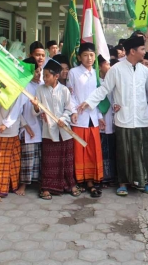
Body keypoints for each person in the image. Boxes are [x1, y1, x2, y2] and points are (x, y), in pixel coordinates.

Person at [81, 36, 148, 196]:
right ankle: (122, 183)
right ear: (133, 51)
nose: (145, 51)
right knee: (124, 152)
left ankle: (142, 182)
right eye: (143, 49)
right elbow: (104, 90)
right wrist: (88, 102)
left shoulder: (145, 71)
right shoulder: (116, 70)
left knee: (142, 151)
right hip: (124, 119)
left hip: (141, 119)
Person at [31, 59, 80, 200]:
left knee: (66, 160)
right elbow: (37, 110)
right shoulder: (40, 90)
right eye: (43, 75)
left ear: (56, 76)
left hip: (64, 130)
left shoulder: (64, 90)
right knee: (49, 161)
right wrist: (35, 107)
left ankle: (70, 185)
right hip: (48, 131)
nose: (44, 78)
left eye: (47, 75)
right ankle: (47, 188)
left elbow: (69, 108)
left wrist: (63, 119)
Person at [68, 43, 105, 198]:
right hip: (79, 116)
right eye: (85, 55)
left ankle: (90, 180)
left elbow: (99, 96)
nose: (89, 58)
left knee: (92, 149)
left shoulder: (96, 74)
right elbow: (70, 93)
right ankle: (79, 179)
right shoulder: (74, 72)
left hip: (93, 117)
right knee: (78, 149)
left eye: (91, 55)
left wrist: (100, 116)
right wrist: (73, 111)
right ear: (79, 57)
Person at [0, 91, 25, 203]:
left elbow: (18, 111)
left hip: (14, 132)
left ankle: (10, 186)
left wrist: (25, 126)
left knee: (14, 162)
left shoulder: (18, 91)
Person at [16, 58, 42, 196]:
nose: (38, 74)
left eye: (39, 71)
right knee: (27, 159)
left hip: (41, 127)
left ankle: (37, 183)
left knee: (39, 158)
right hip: (27, 127)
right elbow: (17, 110)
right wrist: (25, 125)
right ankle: (23, 185)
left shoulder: (43, 85)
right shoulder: (23, 87)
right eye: (35, 71)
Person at [98, 55, 117, 185]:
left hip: (113, 119)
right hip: (101, 119)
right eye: (107, 64)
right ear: (99, 66)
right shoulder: (96, 81)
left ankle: (112, 176)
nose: (109, 67)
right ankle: (103, 176)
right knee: (102, 149)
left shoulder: (114, 80)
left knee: (111, 148)